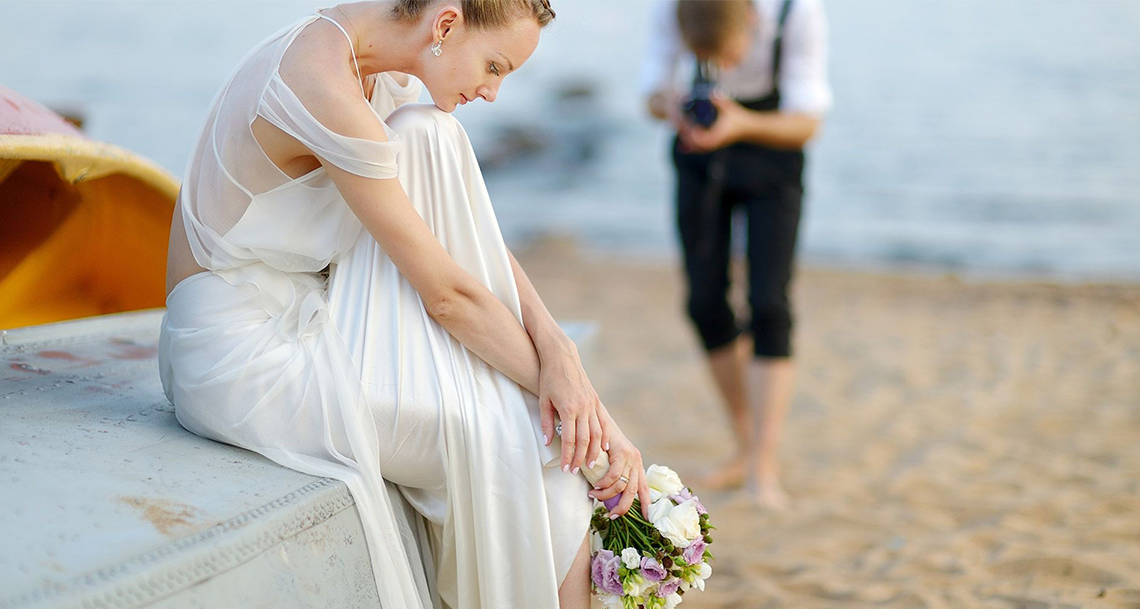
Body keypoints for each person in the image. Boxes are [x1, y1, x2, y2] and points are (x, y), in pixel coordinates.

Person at [157, 2, 652, 607]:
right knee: (531, 439)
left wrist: (558, 349)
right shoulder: (321, 85)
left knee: (427, 132)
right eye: (494, 65)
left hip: (315, 312)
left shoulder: (381, 77)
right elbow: (446, 295)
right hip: (238, 353)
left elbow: (471, 247)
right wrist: (588, 420)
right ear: (446, 25)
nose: (494, 92)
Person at [640, 0, 832, 508]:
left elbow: (808, 122)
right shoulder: (672, 7)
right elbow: (651, 95)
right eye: (707, 57)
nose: (720, 68)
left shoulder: (797, 12)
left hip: (774, 155)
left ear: (751, 19)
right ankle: (746, 446)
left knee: (770, 305)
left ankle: (762, 464)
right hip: (699, 157)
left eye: (725, 54)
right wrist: (672, 106)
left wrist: (741, 124)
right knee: (704, 303)